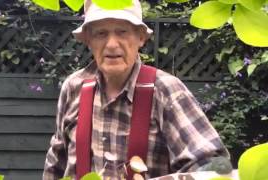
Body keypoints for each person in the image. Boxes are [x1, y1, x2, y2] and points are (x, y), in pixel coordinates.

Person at [43, 0, 230, 179]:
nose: (112, 44)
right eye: (101, 34)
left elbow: (213, 167)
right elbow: (56, 162)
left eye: (122, 32)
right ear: (89, 40)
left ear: (141, 38)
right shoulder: (73, 87)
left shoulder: (166, 91)